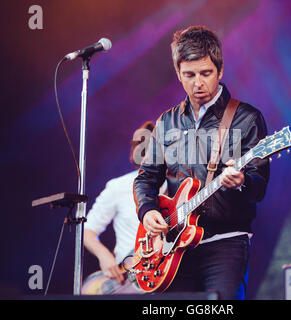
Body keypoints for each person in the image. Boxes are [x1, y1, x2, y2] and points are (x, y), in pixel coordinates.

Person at [133, 26, 270, 299]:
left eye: (206, 73)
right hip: (172, 247)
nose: (198, 83)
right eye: (189, 75)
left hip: (226, 244)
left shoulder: (246, 118)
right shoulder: (166, 121)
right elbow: (146, 177)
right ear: (178, 74)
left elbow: (259, 186)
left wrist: (242, 181)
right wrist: (147, 211)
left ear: (219, 71)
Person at [83, 121, 155, 288]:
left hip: (166, 276)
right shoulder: (119, 186)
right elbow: (87, 230)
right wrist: (104, 255)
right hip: (126, 279)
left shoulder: (179, 186)